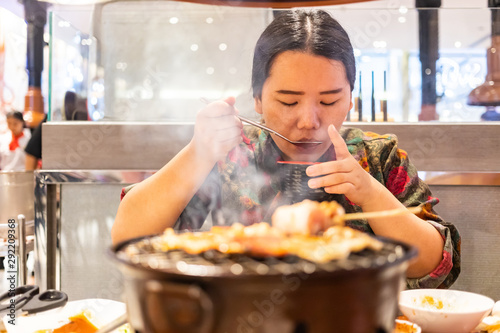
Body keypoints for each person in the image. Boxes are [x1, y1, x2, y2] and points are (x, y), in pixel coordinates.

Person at [112, 9, 460, 289]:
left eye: (329, 100)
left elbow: (438, 266)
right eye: (288, 101)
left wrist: (370, 193)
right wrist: (197, 153)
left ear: (350, 97)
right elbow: (129, 238)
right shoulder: (231, 154)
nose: (308, 120)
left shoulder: (377, 157)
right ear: (259, 99)